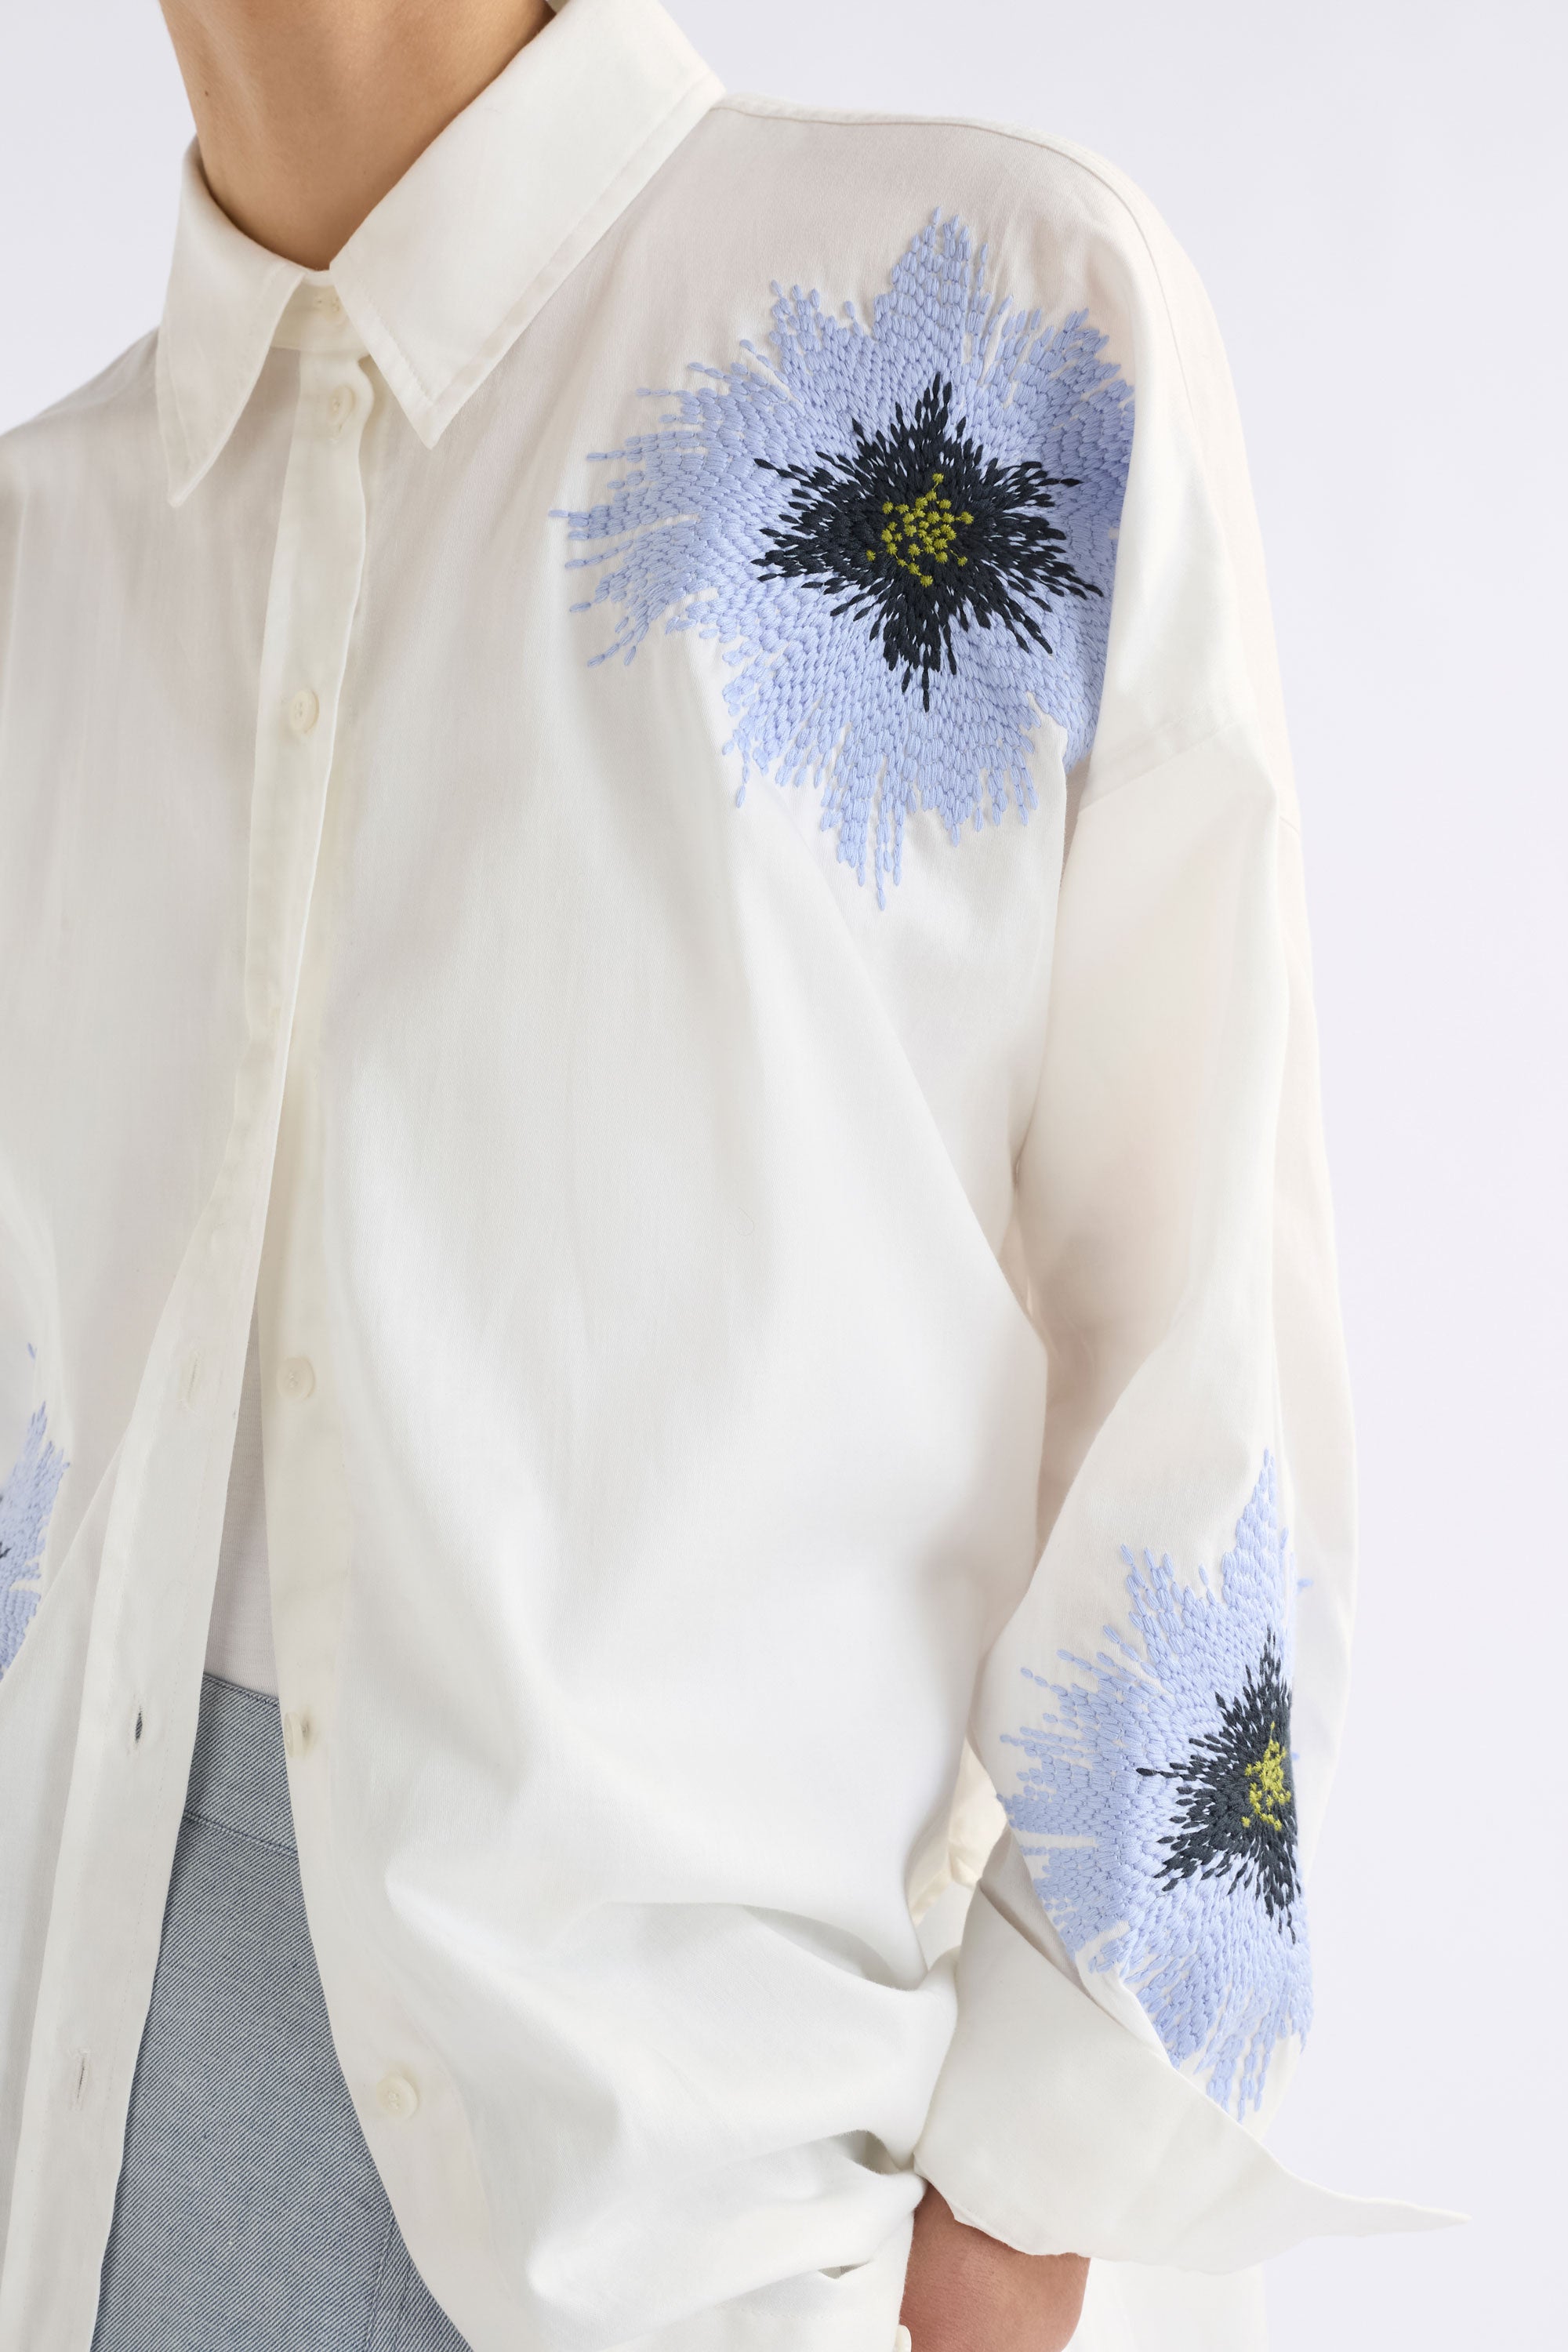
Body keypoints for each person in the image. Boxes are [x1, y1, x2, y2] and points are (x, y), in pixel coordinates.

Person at [0, 2, 1444, 2347]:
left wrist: (1016, 2235)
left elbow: (1209, 1391)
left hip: (690, 2247)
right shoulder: (40, 561)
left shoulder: (989, 333)